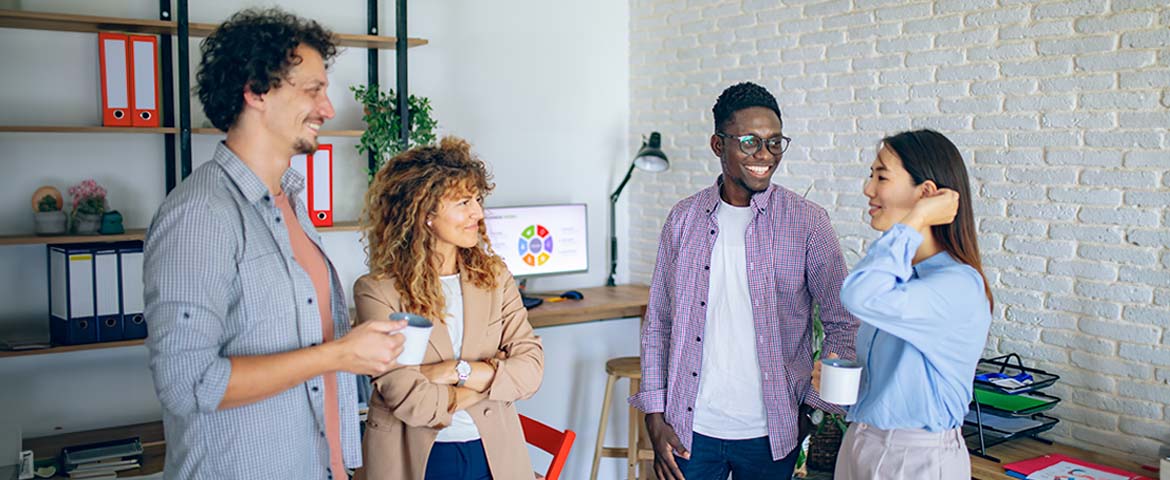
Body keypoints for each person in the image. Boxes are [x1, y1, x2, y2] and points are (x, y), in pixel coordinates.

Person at [143, 8, 407, 479]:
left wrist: (356, 348)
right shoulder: (200, 216)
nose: (327, 109)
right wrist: (339, 354)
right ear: (256, 92)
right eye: (312, 90)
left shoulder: (291, 201)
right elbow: (188, 385)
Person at [629, 81, 859, 480]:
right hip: (689, 429)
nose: (764, 155)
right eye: (750, 142)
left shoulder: (808, 222)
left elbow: (843, 321)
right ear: (718, 145)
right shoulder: (683, 219)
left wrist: (816, 409)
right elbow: (659, 322)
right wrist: (654, 413)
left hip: (773, 433)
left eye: (774, 142)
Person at [353, 136, 545, 480]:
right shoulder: (377, 292)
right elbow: (411, 400)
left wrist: (453, 371)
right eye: (463, 202)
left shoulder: (495, 277)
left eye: (478, 200)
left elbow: (530, 372)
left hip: (492, 452)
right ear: (425, 213)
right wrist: (493, 376)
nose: (478, 213)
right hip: (417, 457)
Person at [832, 129, 993, 479]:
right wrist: (847, 383)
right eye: (871, 175)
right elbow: (897, 390)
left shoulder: (959, 285)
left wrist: (917, 219)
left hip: (915, 458)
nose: (868, 189)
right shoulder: (897, 275)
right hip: (861, 442)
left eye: (881, 177)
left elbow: (858, 295)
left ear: (927, 193)